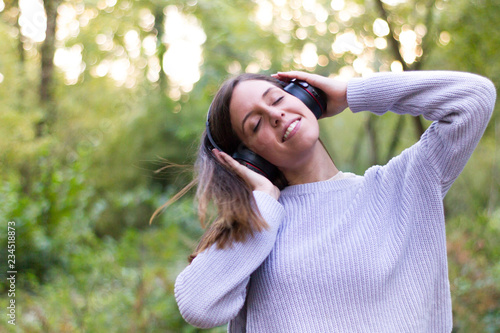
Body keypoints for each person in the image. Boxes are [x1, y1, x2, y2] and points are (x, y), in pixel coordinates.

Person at [173, 70, 496, 332]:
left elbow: (474, 97)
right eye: (255, 124)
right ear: (247, 159)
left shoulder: (402, 187)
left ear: (306, 97)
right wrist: (263, 203)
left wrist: (351, 94)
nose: (275, 114)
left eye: (277, 99)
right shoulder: (259, 225)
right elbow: (198, 305)